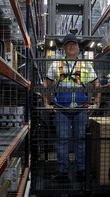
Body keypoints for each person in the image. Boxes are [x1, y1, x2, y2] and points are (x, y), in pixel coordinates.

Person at [42, 33, 101, 180]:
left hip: (80, 109)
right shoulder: (56, 64)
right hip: (61, 109)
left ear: (78, 47)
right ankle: (63, 171)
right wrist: (46, 103)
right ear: (63, 47)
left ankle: (81, 170)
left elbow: (97, 84)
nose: (71, 46)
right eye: (68, 44)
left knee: (80, 139)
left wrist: (97, 102)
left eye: (73, 43)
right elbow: (45, 84)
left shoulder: (86, 65)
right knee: (62, 139)